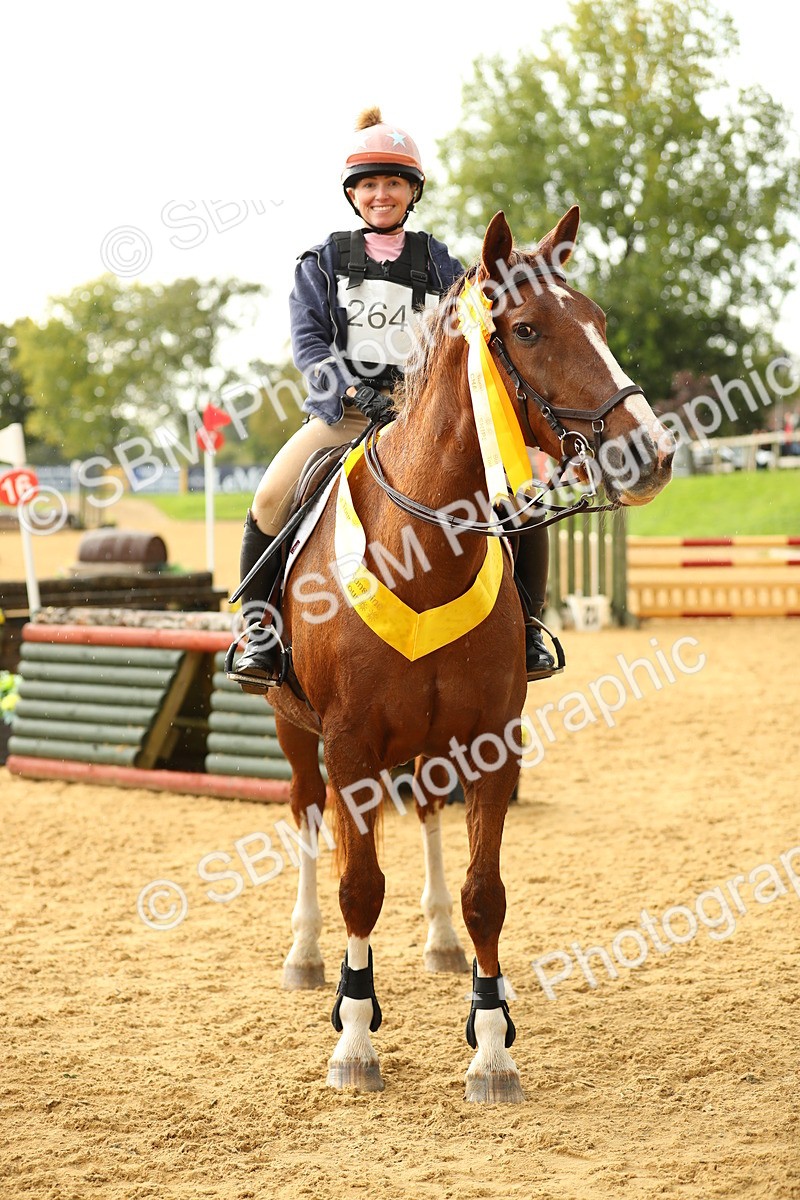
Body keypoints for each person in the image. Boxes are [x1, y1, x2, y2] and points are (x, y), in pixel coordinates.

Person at [227, 107, 555, 692]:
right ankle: (260, 629)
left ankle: (527, 625)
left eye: (394, 183)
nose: (383, 194)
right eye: (371, 184)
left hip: (426, 417)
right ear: (353, 194)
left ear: (412, 191)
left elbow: (473, 334)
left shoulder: (440, 263)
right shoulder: (322, 261)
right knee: (272, 494)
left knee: (521, 496)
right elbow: (309, 344)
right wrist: (354, 393)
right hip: (347, 413)